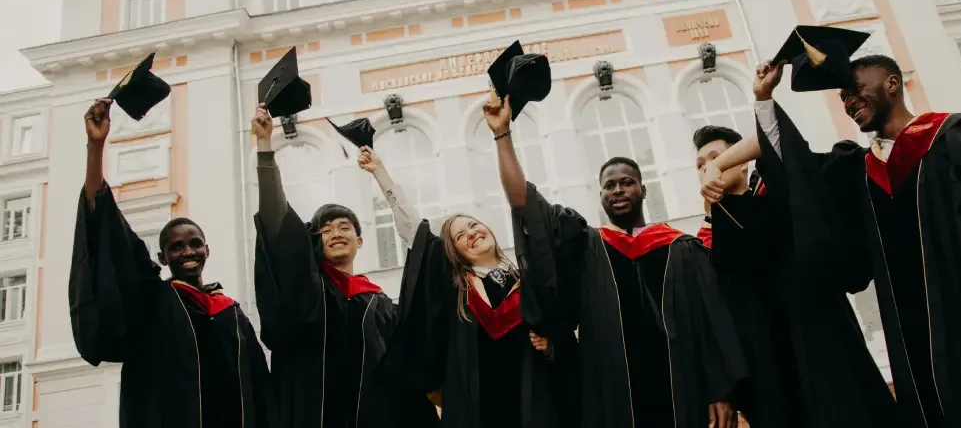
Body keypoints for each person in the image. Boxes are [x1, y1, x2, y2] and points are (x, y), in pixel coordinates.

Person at [702, 47, 961, 426]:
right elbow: (796, 167)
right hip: (909, 329)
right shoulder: (857, 169)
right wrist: (761, 101)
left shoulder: (959, 135)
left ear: (892, 83)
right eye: (843, 98)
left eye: (855, 90)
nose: (849, 102)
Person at [485, 89, 747, 428]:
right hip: (612, 397)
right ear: (601, 195)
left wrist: (722, 390)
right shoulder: (585, 245)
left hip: (685, 392)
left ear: (643, 189)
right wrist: (502, 135)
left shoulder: (681, 248)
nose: (619, 189)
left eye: (627, 182)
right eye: (610, 185)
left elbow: (712, 324)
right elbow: (525, 204)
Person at [69, 99, 277, 428]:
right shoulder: (151, 301)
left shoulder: (231, 314)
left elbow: (261, 392)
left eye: (195, 244)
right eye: (176, 247)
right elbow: (107, 229)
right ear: (162, 258)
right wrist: (96, 146)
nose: (187, 252)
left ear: (207, 250)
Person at [694, 125, 899, 428]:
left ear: (741, 161)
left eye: (716, 157)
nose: (707, 169)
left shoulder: (780, 197)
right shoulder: (702, 246)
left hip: (823, 348)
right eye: (700, 166)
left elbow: (774, 141)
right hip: (769, 374)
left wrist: (717, 166)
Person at [250, 105, 439, 428]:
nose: (335, 233)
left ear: (360, 241)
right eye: (325, 229)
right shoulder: (308, 290)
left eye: (344, 227)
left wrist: (381, 173)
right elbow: (277, 224)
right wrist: (265, 147)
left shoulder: (378, 304)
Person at [365, 145, 579, 428]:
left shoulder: (528, 282)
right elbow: (414, 232)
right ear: (453, 252)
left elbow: (564, 338)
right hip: (476, 404)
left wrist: (551, 347)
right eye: (460, 236)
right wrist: (381, 173)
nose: (471, 234)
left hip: (533, 399)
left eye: (474, 225)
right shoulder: (457, 289)